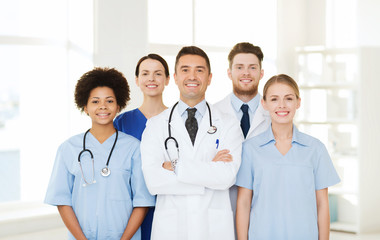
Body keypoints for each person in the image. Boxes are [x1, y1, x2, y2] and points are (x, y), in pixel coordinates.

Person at [140, 46, 243, 240]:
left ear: (210, 78)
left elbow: (226, 177)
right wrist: (209, 169)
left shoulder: (228, 123)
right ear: (176, 77)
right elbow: (154, 181)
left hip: (214, 229)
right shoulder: (155, 125)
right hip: (171, 230)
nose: (192, 76)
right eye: (185, 70)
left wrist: (176, 166)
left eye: (199, 70)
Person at [45, 67, 155, 240]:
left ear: (118, 106)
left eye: (109, 101)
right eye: (95, 101)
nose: (103, 106)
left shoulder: (134, 148)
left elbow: (142, 202)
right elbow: (62, 200)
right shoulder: (68, 148)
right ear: (85, 107)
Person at [235, 74, 340, 240]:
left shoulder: (315, 149)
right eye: (274, 99)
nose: (282, 105)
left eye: (289, 98)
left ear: (298, 102)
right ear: (264, 104)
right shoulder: (250, 149)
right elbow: (243, 203)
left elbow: (322, 204)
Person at [213, 42, 271, 231]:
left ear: (261, 73)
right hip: (222, 205)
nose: (246, 73)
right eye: (239, 67)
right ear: (229, 73)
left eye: (252, 67)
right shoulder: (212, 114)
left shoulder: (275, 113)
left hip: (264, 204)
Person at [114, 53, 170, 240]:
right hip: (131, 208)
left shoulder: (177, 120)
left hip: (169, 204)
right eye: (145, 74)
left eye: (158, 74)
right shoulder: (122, 122)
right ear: (137, 80)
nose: (151, 79)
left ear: (168, 80)